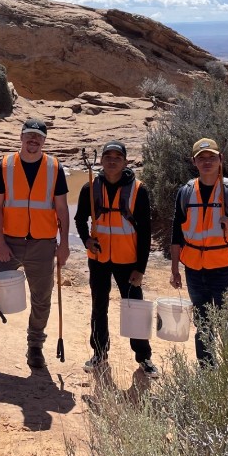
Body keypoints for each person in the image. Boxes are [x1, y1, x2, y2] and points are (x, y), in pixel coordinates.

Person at [0, 119, 70, 369]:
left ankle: (35, 346)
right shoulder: (4, 166)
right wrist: (0, 242)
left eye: (38, 137)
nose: (33, 140)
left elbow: (61, 209)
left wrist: (63, 245)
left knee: (42, 298)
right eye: (29, 135)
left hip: (43, 244)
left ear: (44, 141)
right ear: (21, 137)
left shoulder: (54, 167)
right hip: (10, 242)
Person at [75, 141, 160, 377]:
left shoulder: (138, 190)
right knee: (98, 307)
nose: (112, 161)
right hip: (99, 259)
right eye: (107, 156)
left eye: (117, 157)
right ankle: (99, 353)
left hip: (128, 261)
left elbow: (145, 232)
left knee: (135, 308)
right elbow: (80, 220)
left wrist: (140, 268)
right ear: (101, 160)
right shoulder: (89, 188)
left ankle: (144, 357)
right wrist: (86, 240)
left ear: (124, 162)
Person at [168, 138, 228, 366]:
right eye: (201, 158)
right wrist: (174, 269)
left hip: (225, 269)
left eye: (211, 157)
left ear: (220, 159)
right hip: (193, 270)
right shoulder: (185, 192)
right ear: (194, 161)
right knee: (203, 324)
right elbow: (177, 232)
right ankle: (207, 372)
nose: (207, 162)